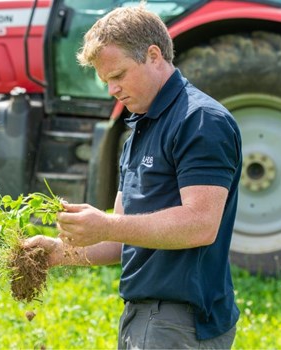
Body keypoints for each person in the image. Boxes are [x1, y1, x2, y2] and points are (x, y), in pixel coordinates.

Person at [26, 4, 241, 349]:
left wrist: (107, 224)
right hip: (143, 316)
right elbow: (123, 237)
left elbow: (201, 223)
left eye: (118, 75)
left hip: (179, 320)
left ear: (154, 56)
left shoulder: (199, 121)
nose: (112, 89)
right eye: (106, 80)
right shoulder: (140, 129)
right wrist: (56, 252)